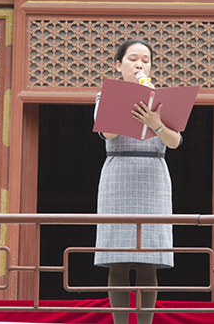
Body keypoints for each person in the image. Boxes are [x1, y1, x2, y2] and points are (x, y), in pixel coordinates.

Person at [93, 38, 183, 324]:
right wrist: (129, 101)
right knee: (117, 259)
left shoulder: (162, 99)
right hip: (118, 174)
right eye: (132, 59)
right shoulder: (105, 96)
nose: (139, 64)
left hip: (154, 175)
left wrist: (157, 123)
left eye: (145, 60)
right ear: (118, 65)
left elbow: (175, 142)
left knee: (149, 261)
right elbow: (107, 133)